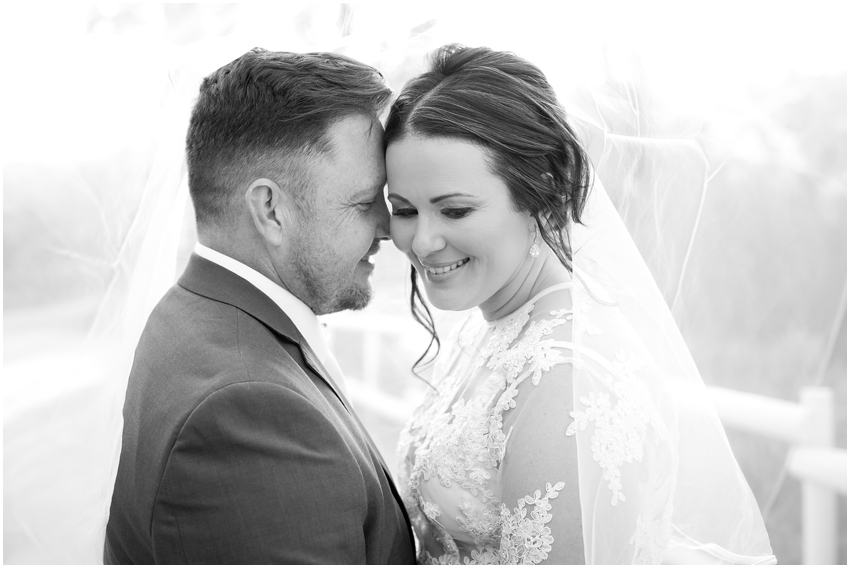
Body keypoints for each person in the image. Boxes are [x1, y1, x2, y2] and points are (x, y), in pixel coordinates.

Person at [384, 44, 776, 564]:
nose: (423, 241)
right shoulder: (492, 326)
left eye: (454, 211)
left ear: (541, 194)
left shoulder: (564, 382)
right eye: (404, 210)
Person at [104, 48, 416, 564]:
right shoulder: (250, 412)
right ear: (270, 209)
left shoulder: (188, 313)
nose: (387, 228)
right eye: (364, 203)